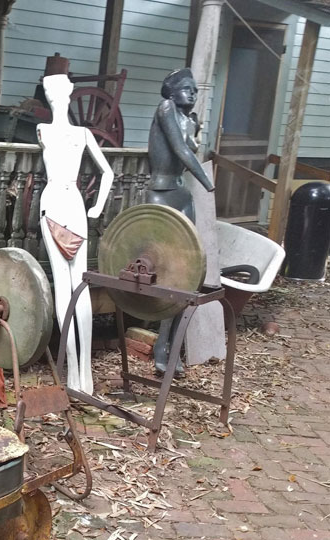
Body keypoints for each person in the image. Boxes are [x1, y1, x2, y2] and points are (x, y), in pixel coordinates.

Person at [37, 74, 114, 394]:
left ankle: (84, 371)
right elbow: (107, 172)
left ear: (67, 95)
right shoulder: (44, 130)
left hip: (70, 204)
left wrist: (97, 207)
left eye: (56, 92)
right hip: (57, 204)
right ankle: (74, 370)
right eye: (50, 92)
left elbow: (108, 172)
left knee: (78, 287)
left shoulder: (80, 134)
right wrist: (95, 206)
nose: (54, 97)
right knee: (65, 288)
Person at [146, 68, 216, 374]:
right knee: (167, 270)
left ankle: (169, 345)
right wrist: (208, 182)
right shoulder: (165, 109)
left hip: (181, 193)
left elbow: (191, 146)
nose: (193, 94)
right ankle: (160, 347)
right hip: (160, 193)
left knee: (186, 271)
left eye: (196, 90)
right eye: (188, 89)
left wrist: (195, 127)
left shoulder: (189, 119)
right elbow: (179, 150)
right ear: (172, 92)